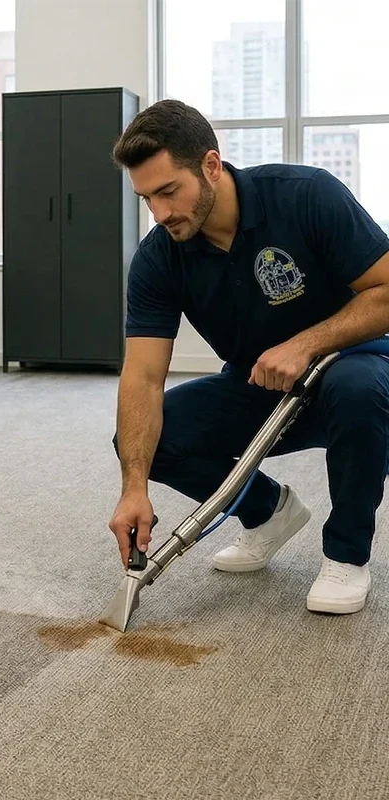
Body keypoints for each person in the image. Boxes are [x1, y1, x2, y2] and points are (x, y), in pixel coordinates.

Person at [107, 99, 389, 615]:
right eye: (147, 198)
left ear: (211, 165)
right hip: (259, 384)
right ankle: (268, 512)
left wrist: (306, 344)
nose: (161, 213)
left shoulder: (306, 196)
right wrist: (134, 487)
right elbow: (143, 379)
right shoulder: (158, 257)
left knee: (357, 390)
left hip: (357, 368)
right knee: (148, 438)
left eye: (169, 191)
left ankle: (347, 554)